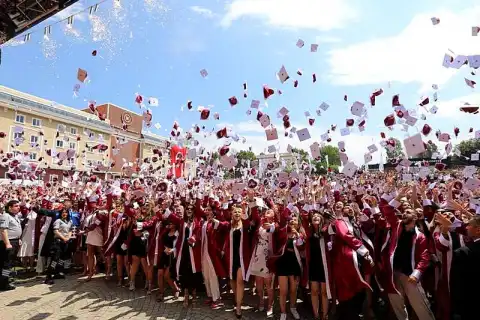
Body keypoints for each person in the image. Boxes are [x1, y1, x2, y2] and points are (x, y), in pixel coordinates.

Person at [450, 215, 480, 320]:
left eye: (469, 225)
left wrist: (456, 310)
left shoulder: (462, 253)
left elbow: (457, 284)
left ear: (478, 230)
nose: (466, 227)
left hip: (469, 307)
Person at [44, 208, 74, 284]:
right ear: (60, 214)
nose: (64, 214)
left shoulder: (69, 221)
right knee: (55, 259)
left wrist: (68, 237)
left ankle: (57, 273)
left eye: (66, 212)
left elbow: (70, 230)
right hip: (58, 242)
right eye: (63, 212)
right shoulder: (58, 221)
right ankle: (48, 276)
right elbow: (56, 231)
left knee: (62, 258)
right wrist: (63, 238)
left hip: (65, 242)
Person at [0, 200, 22, 290]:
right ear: (10, 207)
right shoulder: (5, 216)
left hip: (15, 241)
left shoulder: (15, 216)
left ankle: (6, 280)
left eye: (18, 206)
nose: (18, 207)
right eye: (16, 206)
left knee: (10, 263)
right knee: (6, 264)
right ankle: (3, 283)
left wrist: (18, 238)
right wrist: (7, 243)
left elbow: (15, 229)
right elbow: (3, 230)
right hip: (8, 242)